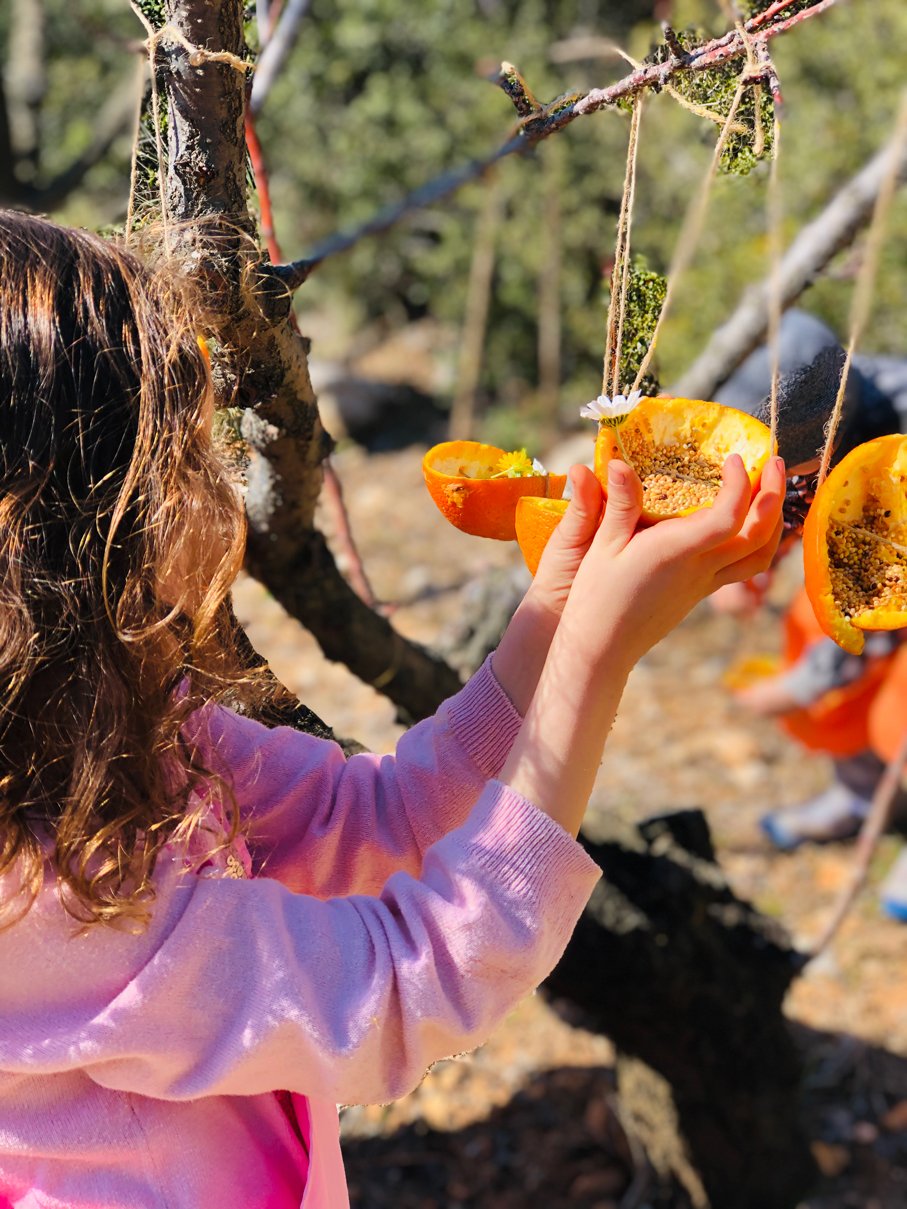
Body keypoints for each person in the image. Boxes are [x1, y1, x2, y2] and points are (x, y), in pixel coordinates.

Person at [0, 210, 785, 1209]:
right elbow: (402, 995)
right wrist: (593, 657)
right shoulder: (36, 890)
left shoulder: (97, 731)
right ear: (63, 535)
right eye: (175, 465)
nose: (209, 495)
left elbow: (378, 822)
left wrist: (550, 621)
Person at [712, 311, 907, 917]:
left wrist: (799, 688)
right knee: (808, 622)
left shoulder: (889, 457)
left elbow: (876, 614)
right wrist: (748, 566)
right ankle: (857, 793)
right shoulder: (809, 414)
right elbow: (786, 507)